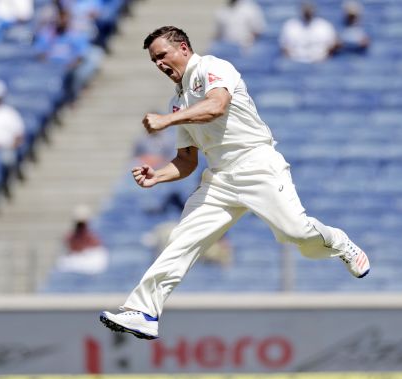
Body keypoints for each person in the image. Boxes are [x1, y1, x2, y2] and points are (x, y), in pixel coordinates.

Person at [99, 26, 369, 340]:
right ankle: (144, 311)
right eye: (154, 61)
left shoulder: (213, 67)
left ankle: (337, 241)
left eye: (162, 55)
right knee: (181, 240)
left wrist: (166, 121)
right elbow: (187, 161)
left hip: (257, 164)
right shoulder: (179, 101)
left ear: (183, 48)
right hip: (219, 178)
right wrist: (157, 175)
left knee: (295, 233)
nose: (159, 64)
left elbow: (216, 106)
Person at [55, 204, 109, 274]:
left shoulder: (93, 239)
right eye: (79, 223)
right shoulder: (70, 238)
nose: (81, 226)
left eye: (82, 223)